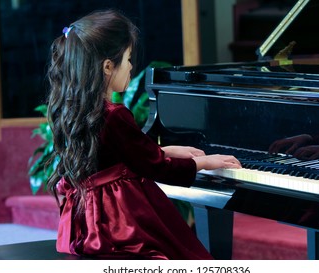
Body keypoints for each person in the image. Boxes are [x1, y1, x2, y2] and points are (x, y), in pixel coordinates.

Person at [46, 9, 241, 260]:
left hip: (86, 221)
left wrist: (164, 150)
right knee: (183, 254)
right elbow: (156, 167)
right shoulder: (114, 114)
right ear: (108, 66)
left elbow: (124, 155)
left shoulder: (70, 109)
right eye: (127, 59)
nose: (130, 67)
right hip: (116, 221)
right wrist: (203, 162)